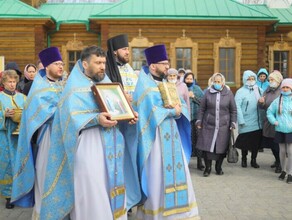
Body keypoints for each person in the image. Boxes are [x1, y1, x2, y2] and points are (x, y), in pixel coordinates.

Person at [40, 46, 140, 219]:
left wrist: (130, 116)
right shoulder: (73, 89)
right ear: (85, 64)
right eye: (98, 62)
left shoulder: (108, 84)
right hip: (89, 145)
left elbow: (118, 109)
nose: (102, 66)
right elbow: (69, 117)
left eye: (103, 62)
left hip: (113, 145)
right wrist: (96, 119)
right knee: (93, 189)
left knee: (112, 186)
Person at [133, 44, 199, 219]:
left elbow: (182, 106)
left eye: (168, 63)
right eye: (164, 63)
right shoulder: (145, 87)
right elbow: (149, 112)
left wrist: (179, 110)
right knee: (157, 175)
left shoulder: (167, 85)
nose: (167, 67)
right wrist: (171, 111)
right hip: (155, 141)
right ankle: (158, 214)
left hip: (172, 137)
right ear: (153, 66)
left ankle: (181, 213)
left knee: (179, 173)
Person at [11, 47, 65, 218]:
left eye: (62, 64)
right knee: (45, 176)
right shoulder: (38, 88)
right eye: (57, 64)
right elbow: (43, 114)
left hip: (64, 136)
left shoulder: (63, 85)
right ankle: (43, 214)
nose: (61, 67)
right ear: (47, 66)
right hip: (48, 137)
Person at [196, 73, 237, 177]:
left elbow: (233, 110)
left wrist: (233, 122)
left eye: (219, 82)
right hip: (208, 124)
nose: (217, 83)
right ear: (212, 82)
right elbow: (202, 109)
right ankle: (208, 168)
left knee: (221, 148)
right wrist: (199, 121)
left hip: (224, 126)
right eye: (215, 81)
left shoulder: (228, 93)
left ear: (223, 82)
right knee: (207, 147)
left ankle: (218, 167)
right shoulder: (208, 93)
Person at [0, 70, 26, 209]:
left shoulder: (23, 97)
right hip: (5, 137)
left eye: (14, 81)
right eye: (9, 81)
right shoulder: (0, 97)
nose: (12, 84)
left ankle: (21, 193)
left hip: (20, 137)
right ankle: (8, 196)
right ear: (3, 83)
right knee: (7, 166)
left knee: (20, 163)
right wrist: (4, 114)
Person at [235, 70, 264, 168]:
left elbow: (264, 103)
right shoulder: (240, 92)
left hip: (257, 121)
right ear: (244, 79)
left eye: (253, 79)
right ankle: (244, 159)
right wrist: (241, 120)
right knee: (245, 143)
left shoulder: (259, 90)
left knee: (255, 143)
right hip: (246, 121)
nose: (251, 81)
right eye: (249, 79)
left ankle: (253, 160)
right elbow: (237, 107)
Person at [267, 78, 292, 184]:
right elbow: (269, 112)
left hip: (290, 130)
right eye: (284, 87)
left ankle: (290, 173)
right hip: (280, 129)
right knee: (282, 151)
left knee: (290, 152)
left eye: (287, 87)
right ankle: (283, 170)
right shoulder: (277, 100)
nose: (285, 89)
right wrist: (274, 121)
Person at [258, 70, 283, 173]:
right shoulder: (267, 90)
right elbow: (262, 106)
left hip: (279, 122)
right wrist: (261, 103)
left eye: (272, 80)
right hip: (269, 121)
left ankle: (281, 164)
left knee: (278, 144)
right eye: (269, 80)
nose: (270, 82)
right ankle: (277, 160)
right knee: (271, 144)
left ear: (277, 80)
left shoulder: (282, 90)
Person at [183, 71, 205, 170]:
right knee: (187, 140)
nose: (189, 81)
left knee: (198, 140)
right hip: (185, 119)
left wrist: (193, 97)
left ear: (193, 80)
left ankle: (200, 162)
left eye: (191, 79)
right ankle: (186, 162)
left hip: (196, 119)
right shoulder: (181, 88)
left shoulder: (197, 89)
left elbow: (203, 103)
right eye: (187, 79)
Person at [106, 34, 138, 99]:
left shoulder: (129, 67)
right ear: (114, 51)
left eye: (128, 49)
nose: (128, 52)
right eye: (124, 49)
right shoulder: (108, 69)